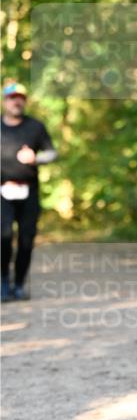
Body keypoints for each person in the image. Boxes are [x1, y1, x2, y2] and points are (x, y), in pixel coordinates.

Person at [1, 80, 58, 302]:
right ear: (5, 101)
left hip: (29, 192)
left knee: (27, 239)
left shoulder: (35, 126)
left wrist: (36, 158)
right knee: (3, 236)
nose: (16, 102)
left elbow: (51, 153)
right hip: (2, 192)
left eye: (20, 98)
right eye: (12, 98)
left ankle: (18, 284)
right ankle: (3, 282)